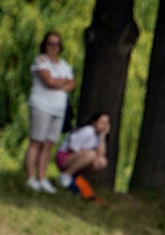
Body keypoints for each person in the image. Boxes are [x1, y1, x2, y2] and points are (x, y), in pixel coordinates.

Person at [24, 31, 73, 194]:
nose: (54, 47)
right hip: (42, 106)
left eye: (57, 43)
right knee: (36, 141)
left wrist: (59, 82)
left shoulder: (64, 65)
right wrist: (62, 82)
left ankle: (42, 177)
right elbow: (49, 81)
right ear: (45, 45)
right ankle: (30, 177)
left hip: (58, 109)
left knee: (48, 144)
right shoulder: (41, 61)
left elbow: (72, 84)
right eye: (51, 43)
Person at [55, 112, 109, 190]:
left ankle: (75, 176)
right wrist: (85, 153)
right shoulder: (87, 131)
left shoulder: (98, 136)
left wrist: (102, 136)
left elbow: (101, 155)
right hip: (65, 157)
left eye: (106, 123)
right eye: (102, 122)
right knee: (91, 155)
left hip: (80, 157)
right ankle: (65, 175)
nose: (104, 125)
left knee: (102, 162)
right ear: (94, 122)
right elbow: (72, 147)